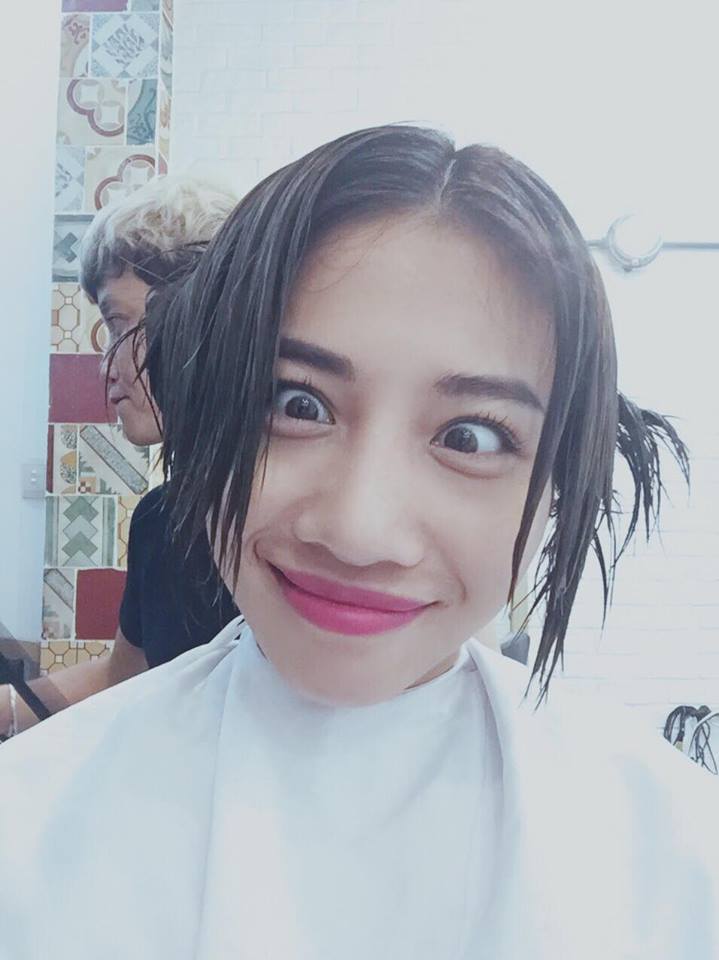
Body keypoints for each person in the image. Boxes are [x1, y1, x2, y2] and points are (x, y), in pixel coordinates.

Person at [0, 125, 716, 959]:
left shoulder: (674, 862)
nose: (357, 530)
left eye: (471, 436)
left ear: (558, 481)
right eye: (295, 403)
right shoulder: (34, 826)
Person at [0, 176, 238, 737]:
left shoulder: (281, 529)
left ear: (206, 321)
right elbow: (121, 675)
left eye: (122, 325)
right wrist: (7, 710)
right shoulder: (161, 520)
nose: (107, 366)